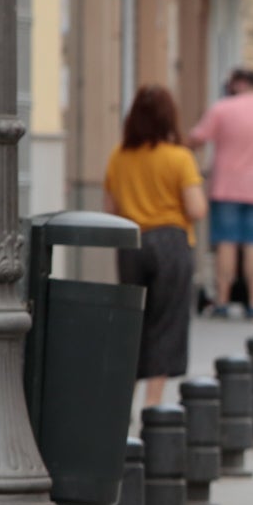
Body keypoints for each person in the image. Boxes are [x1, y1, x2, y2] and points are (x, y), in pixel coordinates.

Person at [104, 85, 207, 409]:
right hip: (171, 243)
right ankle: (153, 402)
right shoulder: (179, 158)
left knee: (134, 321)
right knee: (167, 321)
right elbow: (196, 209)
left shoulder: (119, 156)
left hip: (132, 243)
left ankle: (125, 401)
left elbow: (109, 208)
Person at [187, 67, 253, 318]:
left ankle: (222, 300)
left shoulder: (223, 109)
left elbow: (195, 139)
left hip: (226, 186)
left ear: (237, 84)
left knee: (226, 243)